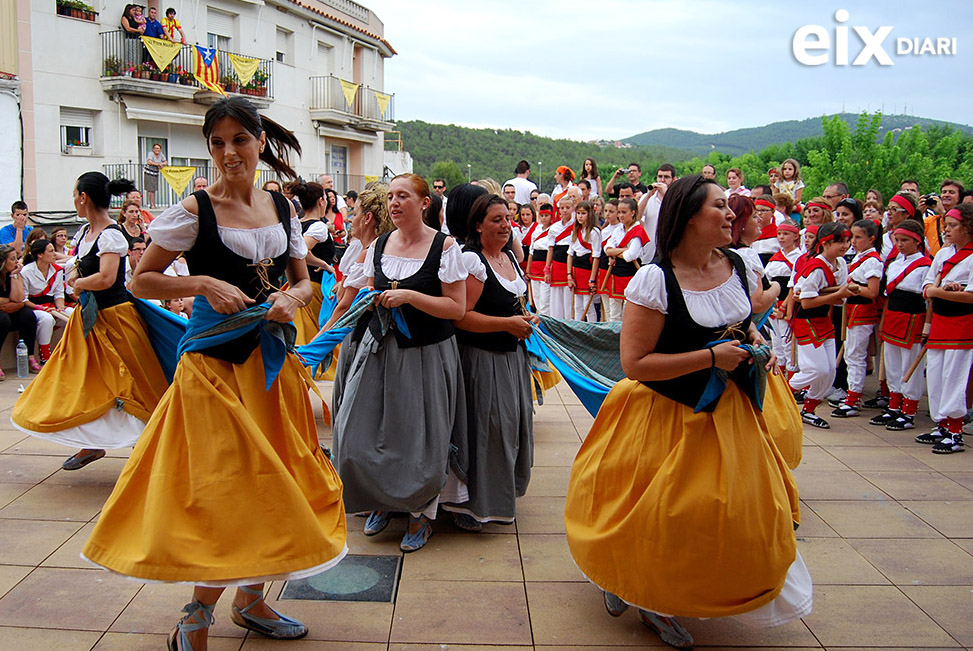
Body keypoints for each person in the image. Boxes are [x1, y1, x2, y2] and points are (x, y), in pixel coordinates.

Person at [82, 98, 347, 651]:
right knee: (226, 484)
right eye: (218, 142)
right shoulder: (194, 210)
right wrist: (201, 284)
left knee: (273, 479)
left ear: (259, 143)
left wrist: (288, 298)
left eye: (239, 140)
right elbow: (141, 280)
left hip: (269, 366)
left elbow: (304, 283)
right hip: (211, 368)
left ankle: (249, 599)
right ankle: (196, 613)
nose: (229, 153)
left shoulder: (283, 208)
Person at [565, 175, 810, 649]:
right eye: (720, 206)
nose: (733, 215)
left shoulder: (736, 263)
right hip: (663, 414)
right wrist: (712, 358)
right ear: (690, 217)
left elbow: (741, 324)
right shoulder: (655, 279)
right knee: (657, 515)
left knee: (733, 515)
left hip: (730, 413)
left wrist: (757, 343)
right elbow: (636, 364)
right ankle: (644, 593)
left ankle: (656, 584)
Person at [332, 174, 468, 553]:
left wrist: (410, 296)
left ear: (424, 203)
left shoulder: (444, 247)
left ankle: (420, 512)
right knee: (358, 431)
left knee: (419, 436)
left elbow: (456, 307)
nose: (394, 203)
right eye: (391, 196)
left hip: (426, 353)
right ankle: (381, 499)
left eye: (403, 196)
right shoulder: (378, 245)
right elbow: (366, 293)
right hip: (379, 351)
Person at [11, 172, 169, 473]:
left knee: (137, 382)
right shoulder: (85, 233)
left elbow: (108, 278)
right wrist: (74, 278)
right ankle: (92, 442)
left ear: (83, 197)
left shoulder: (110, 234)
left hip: (115, 319)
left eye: (75, 195)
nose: (74, 200)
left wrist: (79, 283)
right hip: (90, 321)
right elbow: (79, 269)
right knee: (81, 381)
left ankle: (152, 444)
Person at [447, 193, 534, 529]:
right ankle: (471, 505)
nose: (505, 225)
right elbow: (461, 317)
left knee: (509, 429)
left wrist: (523, 318)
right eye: (496, 220)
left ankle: (498, 496)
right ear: (478, 225)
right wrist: (507, 325)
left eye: (507, 219)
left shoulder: (509, 258)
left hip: (511, 360)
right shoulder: (473, 261)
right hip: (482, 360)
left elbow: (510, 304)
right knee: (486, 430)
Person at [789, 222, 853, 428]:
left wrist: (838, 295)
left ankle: (809, 409)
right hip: (806, 320)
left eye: (846, 241)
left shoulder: (841, 264)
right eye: (839, 242)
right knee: (816, 369)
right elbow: (806, 302)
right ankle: (781, 393)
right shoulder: (815, 267)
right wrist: (838, 294)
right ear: (825, 244)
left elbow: (837, 299)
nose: (844, 246)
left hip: (824, 321)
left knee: (830, 371)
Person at [920, 204, 973, 453]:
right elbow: (927, 284)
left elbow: (971, 296)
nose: (947, 230)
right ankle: (941, 424)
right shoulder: (942, 254)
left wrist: (941, 291)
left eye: (952, 226)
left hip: (963, 325)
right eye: (946, 226)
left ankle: (955, 431)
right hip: (940, 321)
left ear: (968, 227)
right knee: (936, 374)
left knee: (955, 375)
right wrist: (943, 289)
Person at [870, 219, 930, 431]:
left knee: (909, 364)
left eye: (905, 240)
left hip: (912, 317)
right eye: (897, 240)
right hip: (893, 316)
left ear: (917, 241)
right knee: (892, 364)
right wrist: (884, 322)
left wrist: (926, 327)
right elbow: (887, 297)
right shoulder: (894, 264)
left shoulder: (925, 266)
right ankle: (894, 406)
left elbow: (927, 300)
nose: (900, 244)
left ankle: (909, 410)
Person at [831, 220, 883, 418]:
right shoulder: (860, 258)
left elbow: (872, 291)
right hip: (852, 310)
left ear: (871, 238)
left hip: (863, 310)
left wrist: (852, 288)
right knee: (850, 354)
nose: (853, 241)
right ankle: (852, 396)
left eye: (858, 237)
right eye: (852, 237)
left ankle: (853, 398)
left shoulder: (873, 261)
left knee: (855, 355)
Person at [290, 181, 335, 346]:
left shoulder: (299, 224)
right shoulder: (318, 227)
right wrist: (324, 264)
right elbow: (301, 250)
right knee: (315, 333)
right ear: (321, 201)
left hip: (298, 285)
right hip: (314, 287)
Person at [21, 238, 73, 364]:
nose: (54, 254)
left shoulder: (57, 270)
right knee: (46, 319)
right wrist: (39, 308)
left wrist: (60, 307)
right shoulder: (26, 271)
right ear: (40, 255)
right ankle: (45, 356)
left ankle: (71, 352)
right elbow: (24, 298)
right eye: (51, 251)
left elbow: (59, 293)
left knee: (74, 314)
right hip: (34, 306)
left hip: (52, 305)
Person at [603, 198, 646, 322]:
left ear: (632, 213)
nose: (620, 215)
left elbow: (630, 256)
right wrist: (623, 250)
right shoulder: (618, 230)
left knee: (629, 312)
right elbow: (607, 249)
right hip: (616, 274)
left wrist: (615, 252)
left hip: (631, 274)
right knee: (614, 313)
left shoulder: (638, 231)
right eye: (619, 212)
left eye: (624, 212)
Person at [0, 245, 39, 379]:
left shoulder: (14, 274)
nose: (17, 262)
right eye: (12, 259)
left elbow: (19, 299)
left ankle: (30, 356)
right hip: (2, 315)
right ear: (3, 261)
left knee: (27, 315)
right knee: (3, 319)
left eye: (17, 258)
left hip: (9, 310)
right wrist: (9, 301)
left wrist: (15, 275)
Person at [567, 200, 602, 321]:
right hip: (576, 270)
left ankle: (591, 330)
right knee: (577, 305)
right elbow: (570, 254)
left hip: (587, 270)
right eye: (578, 213)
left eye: (583, 213)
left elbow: (596, 257)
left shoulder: (595, 232)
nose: (580, 216)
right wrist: (569, 275)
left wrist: (592, 279)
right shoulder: (575, 231)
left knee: (588, 305)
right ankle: (578, 329)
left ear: (589, 214)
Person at [544, 195, 575, 319]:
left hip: (570, 264)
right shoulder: (554, 228)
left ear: (573, 208)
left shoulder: (576, 226)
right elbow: (550, 249)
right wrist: (547, 268)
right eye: (562, 208)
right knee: (556, 298)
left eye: (568, 207)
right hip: (557, 264)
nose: (565, 210)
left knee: (569, 299)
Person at [526, 203, 553, 314]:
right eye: (542, 216)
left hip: (545, 266)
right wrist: (528, 269)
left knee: (545, 301)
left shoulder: (553, 230)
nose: (544, 218)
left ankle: (545, 325)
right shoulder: (536, 232)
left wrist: (548, 267)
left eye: (546, 215)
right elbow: (531, 252)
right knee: (536, 298)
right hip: (535, 267)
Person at [143, 143, 167, 209]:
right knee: (150, 189)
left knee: (154, 189)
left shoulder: (161, 155)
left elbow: (166, 162)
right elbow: (149, 162)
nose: (157, 150)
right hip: (149, 173)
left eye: (158, 149)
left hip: (155, 173)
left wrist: (162, 164)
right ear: (153, 149)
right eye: (156, 148)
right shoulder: (151, 154)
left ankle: (153, 204)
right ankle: (151, 204)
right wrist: (158, 164)